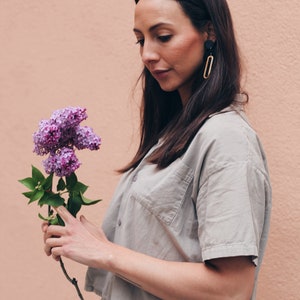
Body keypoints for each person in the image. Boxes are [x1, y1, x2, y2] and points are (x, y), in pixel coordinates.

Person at [43, 0, 272, 299]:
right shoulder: (174, 133)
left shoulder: (224, 139)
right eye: (140, 40)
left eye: (162, 36)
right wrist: (90, 241)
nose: (147, 54)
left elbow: (231, 289)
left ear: (210, 32)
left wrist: (105, 252)